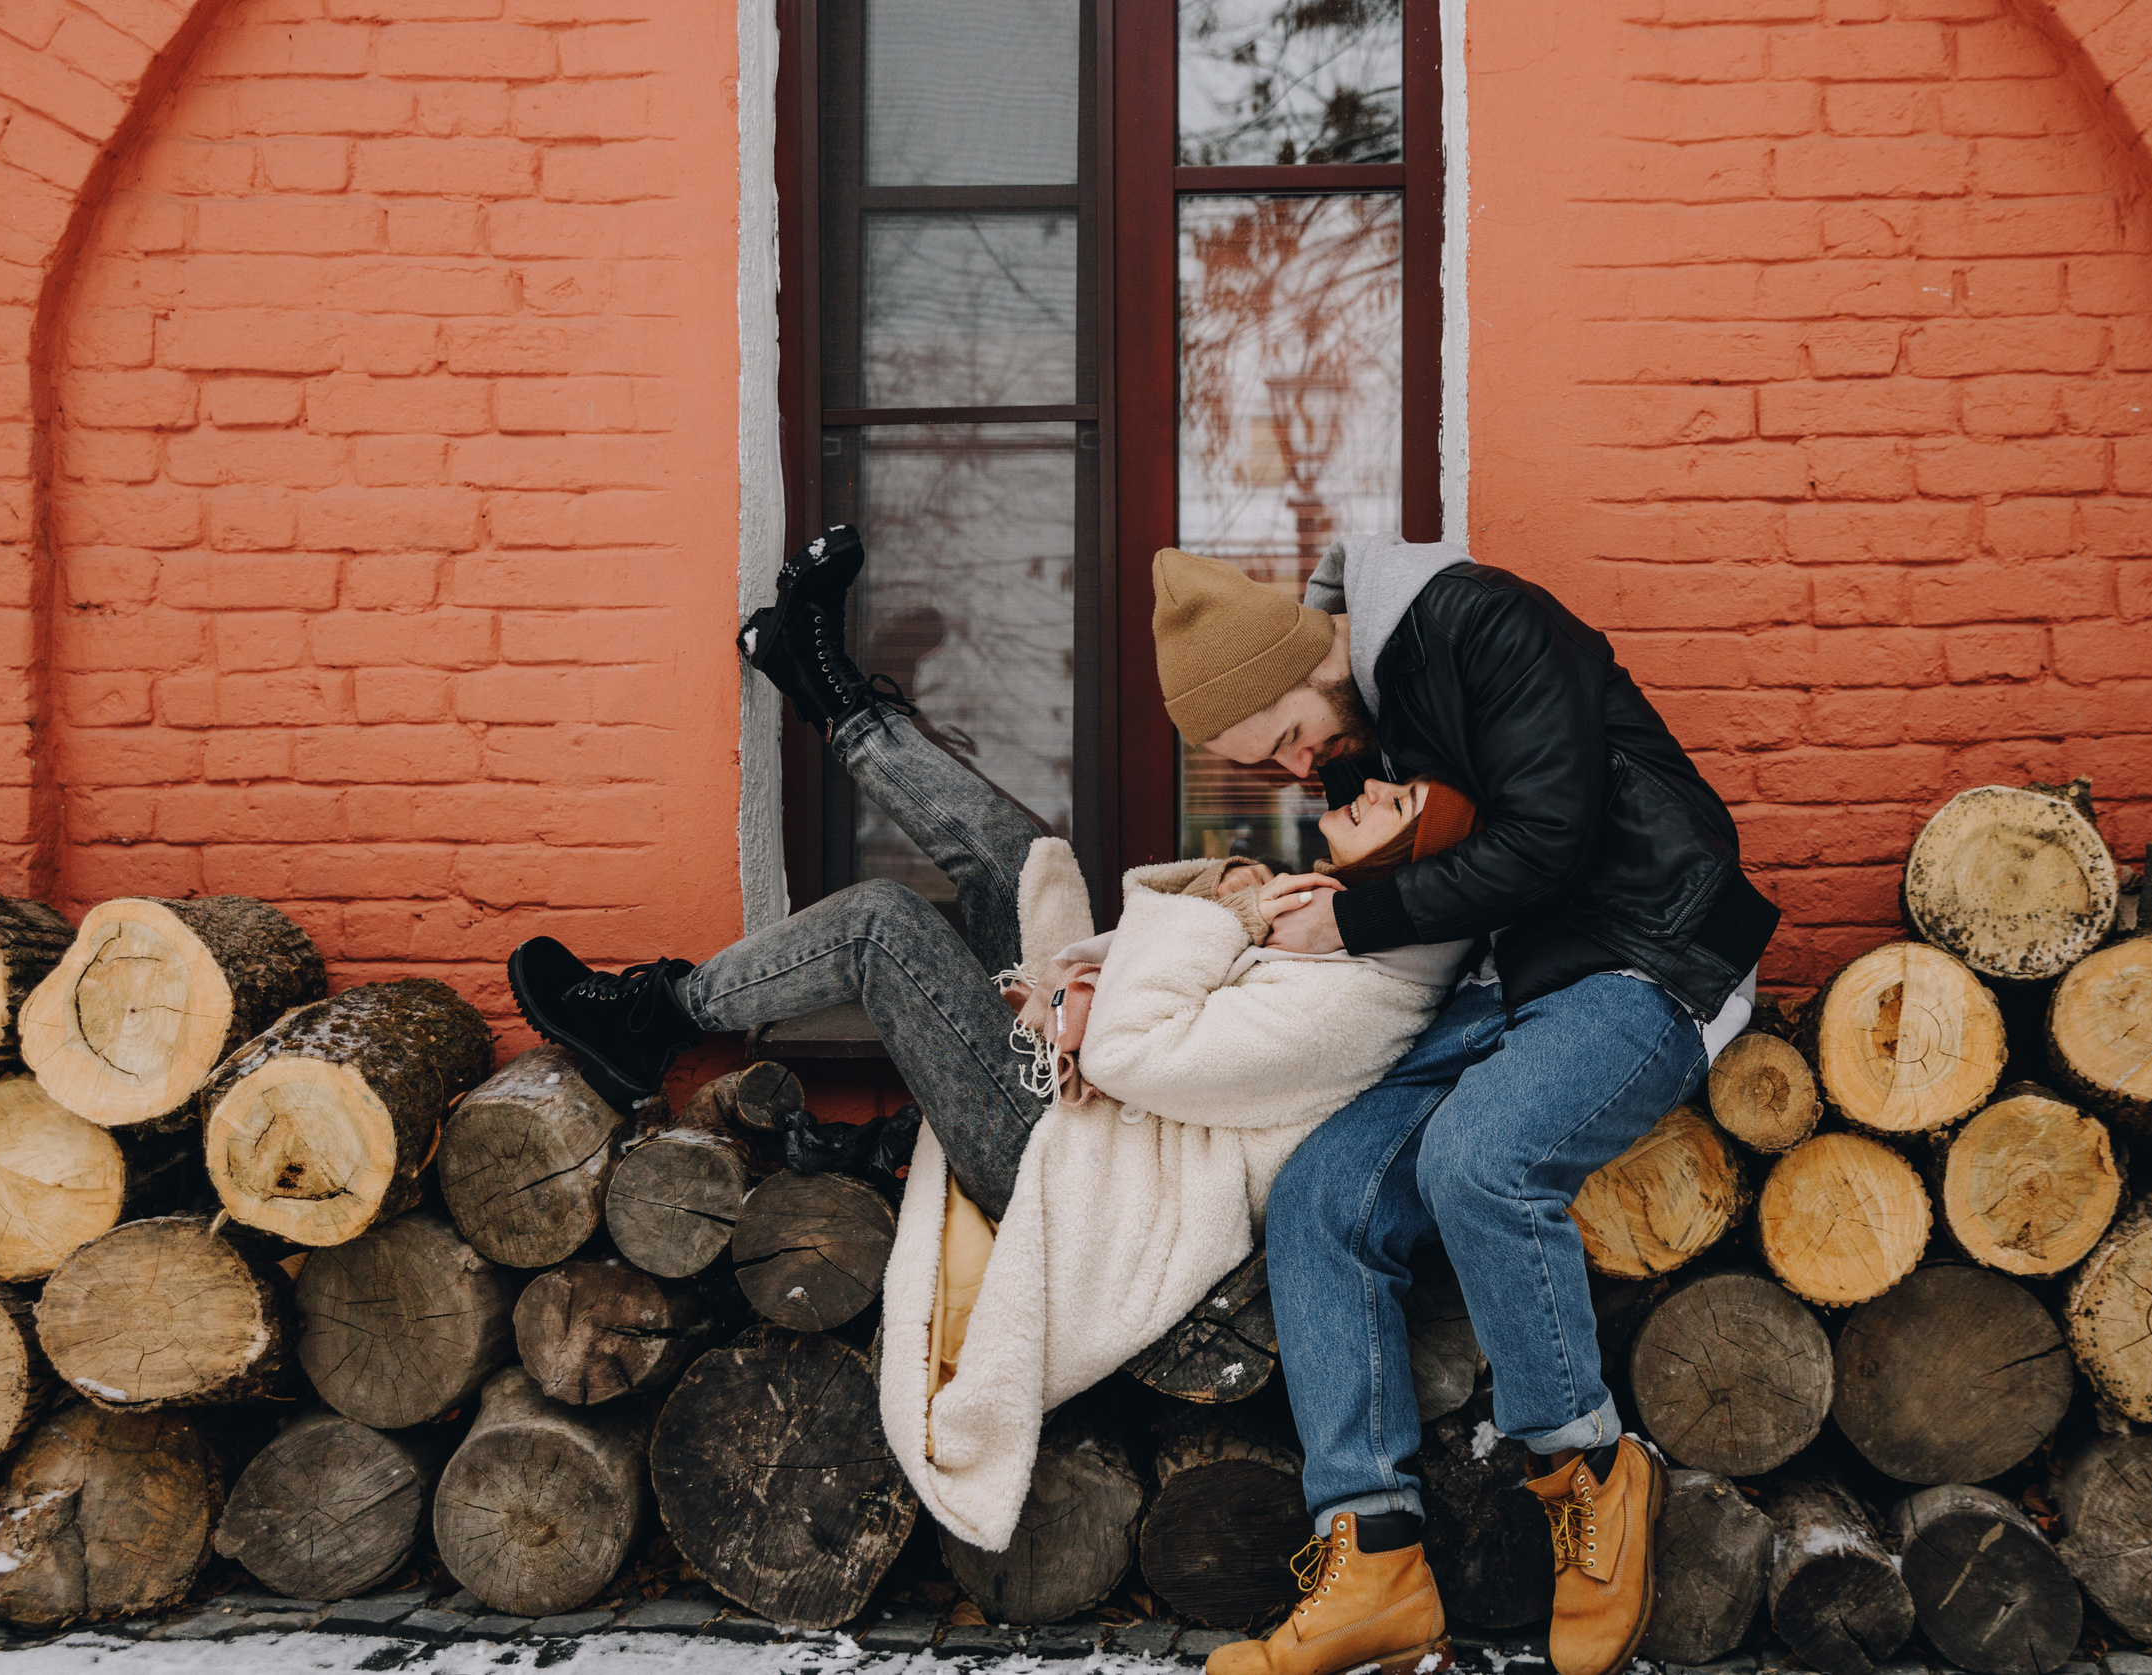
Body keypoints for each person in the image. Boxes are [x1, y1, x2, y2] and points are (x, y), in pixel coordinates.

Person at [505, 527, 1482, 1551]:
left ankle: (655, 1019)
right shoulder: (1339, 931)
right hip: (1081, 1110)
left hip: (1064, 1164)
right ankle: (824, 683)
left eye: (1395, 803)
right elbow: (1159, 1003)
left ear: (1410, 863)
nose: (1360, 786)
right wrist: (1102, 970)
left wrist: (1205, 929)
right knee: (1016, 860)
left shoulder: (1355, 1000)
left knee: (884, 925)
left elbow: (1132, 1055)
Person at [1150, 541, 1780, 1675]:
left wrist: (1350, 921)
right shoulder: (1352, 737)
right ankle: (1374, 1556)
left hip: (1644, 954)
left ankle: (1589, 1472)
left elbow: (1552, 839)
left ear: (1316, 655)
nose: (1303, 767)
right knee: (1322, 1198)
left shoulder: (1481, 623)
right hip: (1498, 986)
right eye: (1272, 763)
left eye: (1293, 733)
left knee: (1480, 1163)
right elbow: (1420, 888)